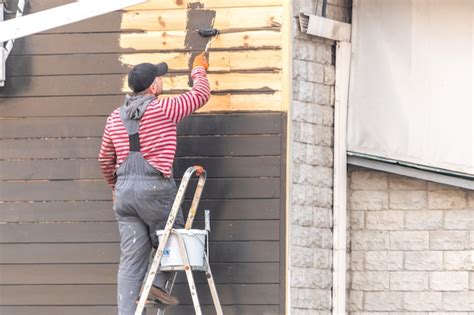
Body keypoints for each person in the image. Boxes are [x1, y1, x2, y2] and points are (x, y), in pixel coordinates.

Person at [98, 52, 210, 315]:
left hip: (125, 195)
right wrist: (199, 70)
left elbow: (105, 158)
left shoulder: (114, 117)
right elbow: (200, 96)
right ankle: (156, 286)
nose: (162, 80)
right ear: (152, 86)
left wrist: (114, 187)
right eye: (160, 77)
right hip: (155, 190)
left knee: (131, 261)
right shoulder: (164, 108)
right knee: (174, 236)